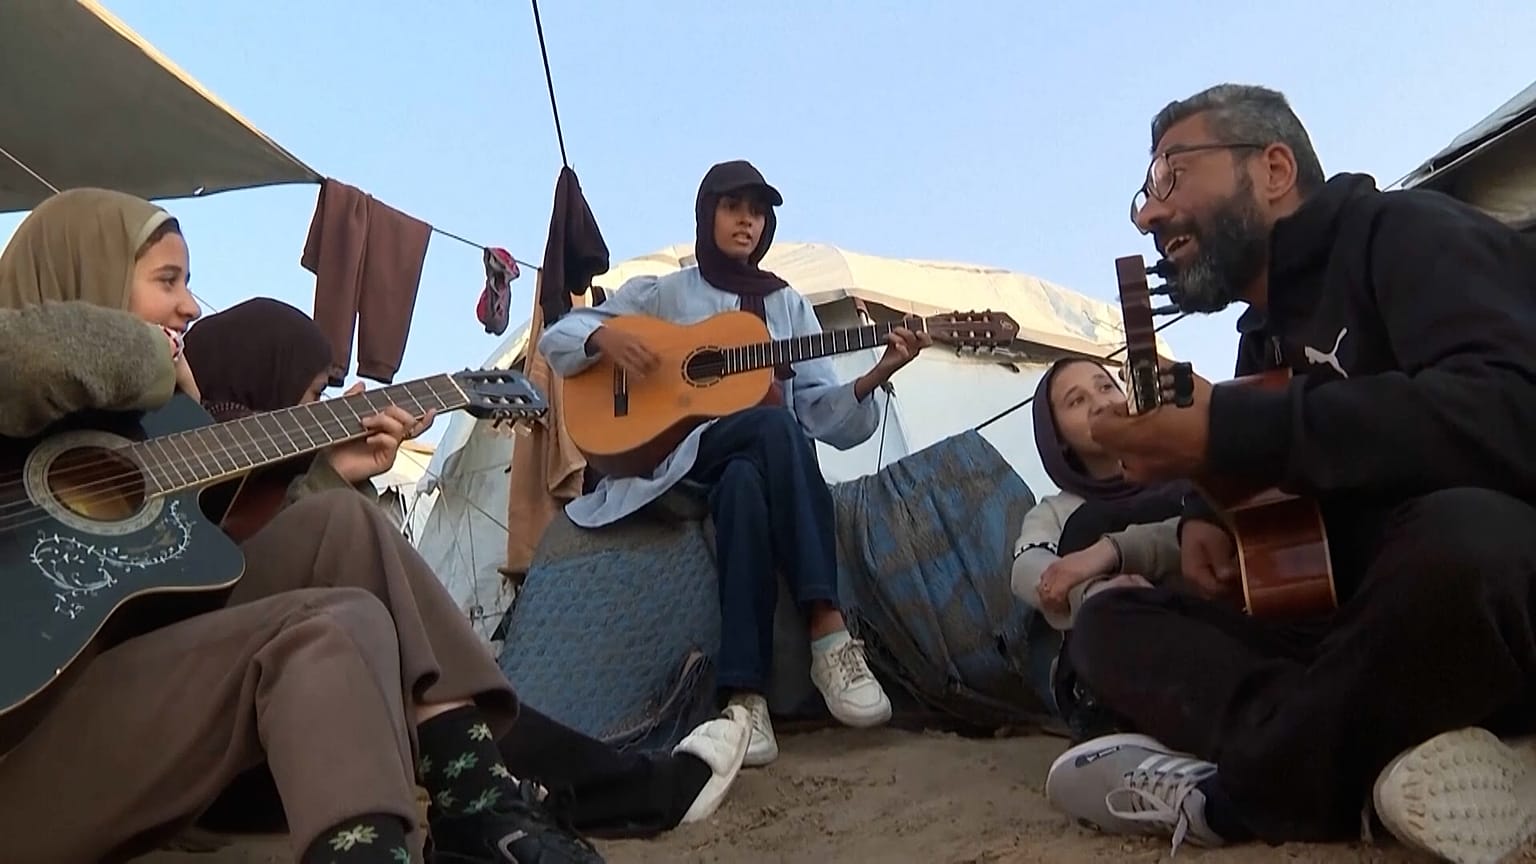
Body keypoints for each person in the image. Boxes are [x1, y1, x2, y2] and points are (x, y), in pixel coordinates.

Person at [0, 188, 608, 864]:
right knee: (316, 629)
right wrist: (147, 357)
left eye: (189, 283)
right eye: (167, 280)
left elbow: (204, 583)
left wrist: (328, 469)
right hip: (25, 763)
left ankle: (477, 808)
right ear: (79, 275)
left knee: (339, 534)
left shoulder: (140, 441)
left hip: (130, 727)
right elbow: (27, 362)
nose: (192, 307)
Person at [1043, 84, 1536, 862]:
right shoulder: (1258, 340)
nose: (1147, 213)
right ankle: (1399, 763)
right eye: (1145, 191)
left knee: (1465, 542)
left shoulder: (1406, 233)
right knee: (1108, 621)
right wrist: (1213, 508)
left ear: (1272, 168)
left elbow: (1514, 409)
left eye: (1172, 176)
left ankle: (1243, 793)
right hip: (1352, 631)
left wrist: (1231, 428)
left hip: (1478, 598)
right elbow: (1286, 504)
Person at [183, 295, 752, 840]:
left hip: (281, 770)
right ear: (265, 385)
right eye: (309, 398)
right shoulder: (178, 484)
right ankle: (622, 790)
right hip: (216, 765)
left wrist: (337, 474)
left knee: (395, 655)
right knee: (408, 655)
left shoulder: (275, 500)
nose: (187, 304)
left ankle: (555, 788)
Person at [539, 160, 930, 766]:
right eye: (733, 207)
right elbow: (556, 340)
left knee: (752, 475)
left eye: (758, 211)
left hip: (746, 467)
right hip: (677, 460)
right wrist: (604, 338)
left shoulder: (789, 307)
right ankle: (827, 628)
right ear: (707, 215)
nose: (747, 220)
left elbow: (824, 417)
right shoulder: (664, 292)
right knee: (775, 425)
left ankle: (744, 697)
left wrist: (879, 371)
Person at [1010, 357, 1185, 739]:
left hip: (1195, 624)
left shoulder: (1181, 474)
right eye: (1077, 400)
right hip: (1117, 645)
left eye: (1106, 387)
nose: (1101, 403)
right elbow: (1027, 566)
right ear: (1057, 436)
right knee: (1084, 525)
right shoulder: (1058, 510)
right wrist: (1091, 591)